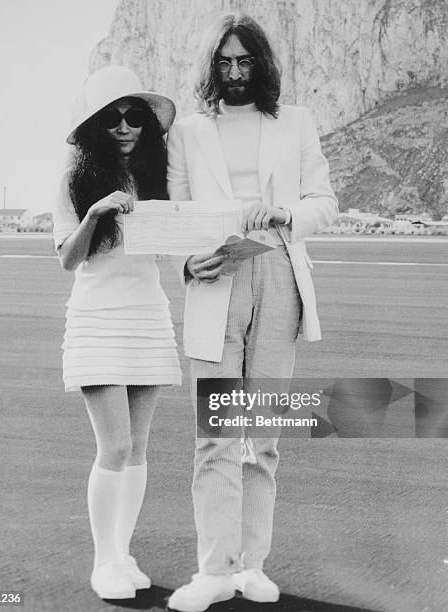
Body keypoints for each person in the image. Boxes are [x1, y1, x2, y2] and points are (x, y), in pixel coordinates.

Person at [166, 13, 338, 612]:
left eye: (245, 62)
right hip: (217, 281)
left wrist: (287, 213)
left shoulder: (295, 122)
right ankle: (213, 571)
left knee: (263, 436)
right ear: (212, 67)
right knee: (215, 436)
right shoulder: (187, 132)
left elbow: (325, 200)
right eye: (224, 62)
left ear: (260, 64)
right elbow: (176, 213)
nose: (235, 73)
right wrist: (191, 265)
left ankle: (253, 566)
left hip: (279, 273)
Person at [52, 65, 181, 600]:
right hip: (98, 318)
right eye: (113, 119)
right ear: (94, 129)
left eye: (135, 118)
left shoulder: (157, 178)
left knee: (140, 447)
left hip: (147, 313)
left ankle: (123, 551)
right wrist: (96, 213)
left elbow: (175, 244)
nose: (126, 127)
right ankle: (104, 560)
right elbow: (67, 259)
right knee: (115, 445)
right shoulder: (74, 180)